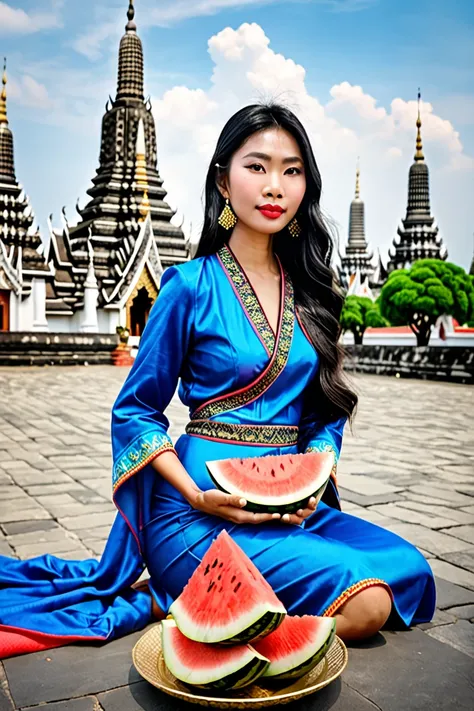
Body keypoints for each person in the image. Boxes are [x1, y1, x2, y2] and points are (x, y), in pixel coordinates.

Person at [0, 103, 435, 659]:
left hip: (289, 506)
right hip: (194, 514)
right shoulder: (188, 285)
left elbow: (324, 414)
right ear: (223, 180)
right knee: (368, 604)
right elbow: (135, 411)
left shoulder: (314, 295)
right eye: (257, 166)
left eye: (292, 169)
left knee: (412, 571)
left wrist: (316, 468)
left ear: (306, 186)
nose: (275, 185)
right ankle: (212, 614)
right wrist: (195, 493)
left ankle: (224, 610)